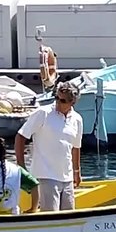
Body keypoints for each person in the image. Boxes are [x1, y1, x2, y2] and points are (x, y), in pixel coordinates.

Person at [15, 81, 83, 212]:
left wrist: (77, 172)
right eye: (56, 97)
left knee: (69, 216)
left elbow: (76, 147)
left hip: (67, 176)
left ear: (72, 102)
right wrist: (21, 166)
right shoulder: (43, 113)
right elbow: (21, 136)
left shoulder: (77, 119)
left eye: (62, 100)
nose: (58, 102)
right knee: (51, 215)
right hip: (45, 174)